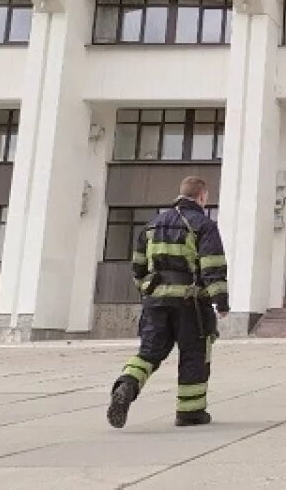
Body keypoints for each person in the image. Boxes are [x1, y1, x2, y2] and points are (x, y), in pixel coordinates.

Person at [107, 176, 229, 429]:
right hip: (190, 305)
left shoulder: (152, 225)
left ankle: (126, 385)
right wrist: (221, 301)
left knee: (149, 352)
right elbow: (212, 265)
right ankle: (190, 412)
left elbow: (138, 267)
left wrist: (148, 293)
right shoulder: (203, 225)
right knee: (193, 355)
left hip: (156, 302)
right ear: (202, 197)